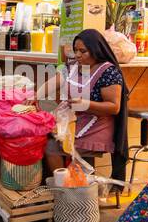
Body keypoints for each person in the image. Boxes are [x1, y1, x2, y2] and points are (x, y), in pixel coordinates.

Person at [40, 29, 130, 185]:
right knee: (45, 137)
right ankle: (67, 187)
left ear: (96, 51)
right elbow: (56, 81)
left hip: (97, 127)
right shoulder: (74, 66)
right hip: (75, 121)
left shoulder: (109, 72)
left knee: (51, 147)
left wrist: (86, 104)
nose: (78, 55)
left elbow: (114, 107)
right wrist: (36, 95)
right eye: (76, 50)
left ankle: (66, 190)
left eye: (83, 51)